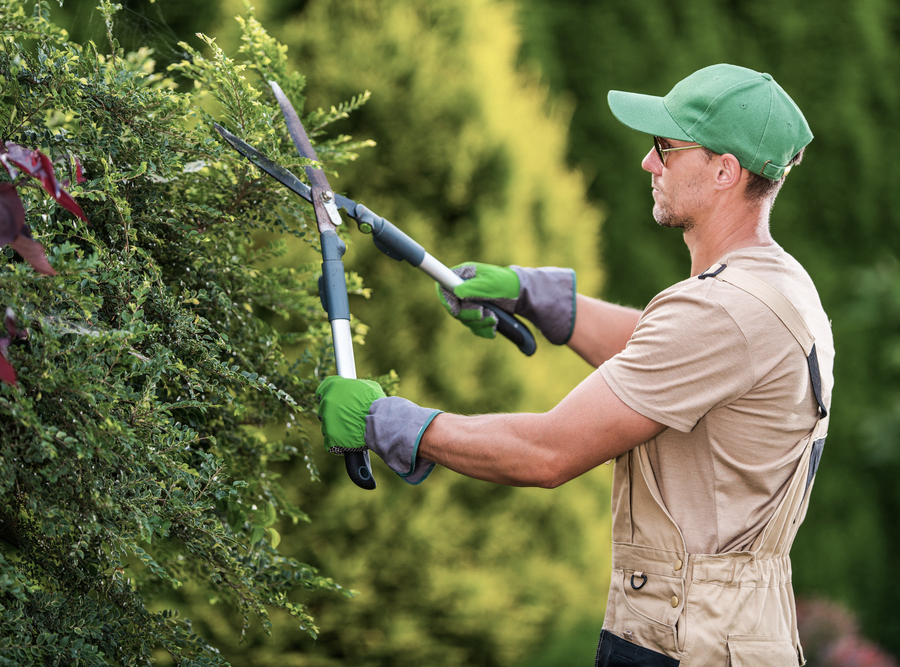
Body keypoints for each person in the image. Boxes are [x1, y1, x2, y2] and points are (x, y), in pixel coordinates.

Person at [317, 64, 833, 667]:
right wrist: (535, 295)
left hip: (685, 645)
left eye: (666, 148)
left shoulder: (722, 310)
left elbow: (548, 452)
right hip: (729, 633)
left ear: (725, 171)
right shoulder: (775, 288)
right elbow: (661, 353)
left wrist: (390, 423)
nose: (649, 163)